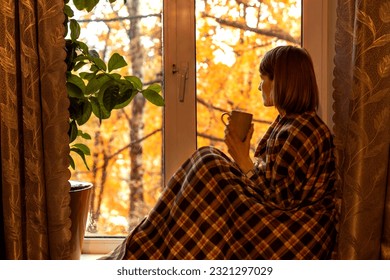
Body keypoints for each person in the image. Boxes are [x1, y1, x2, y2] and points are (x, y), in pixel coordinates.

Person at [101, 45, 337, 260]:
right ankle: (140, 251)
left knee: (210, 165)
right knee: (207, 160)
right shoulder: (290, 123)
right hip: (286, 224)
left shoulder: (302, 130)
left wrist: (243, 158)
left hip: (297, 236)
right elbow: (272, 186)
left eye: (263, 78)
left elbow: (279, 200)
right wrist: (241, 160)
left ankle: (135, 254)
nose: (258, 86)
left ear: (281, 82)